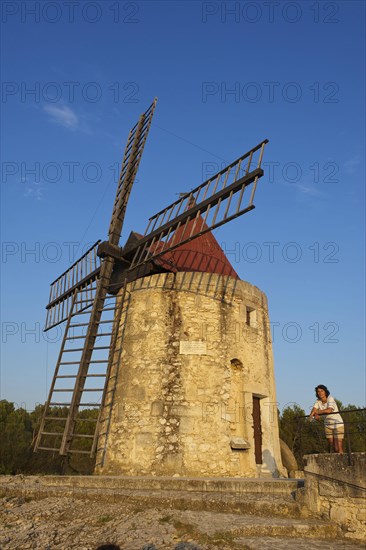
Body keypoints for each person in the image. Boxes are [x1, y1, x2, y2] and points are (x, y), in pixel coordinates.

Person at [309, 384, 344, 454]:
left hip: (337, 423)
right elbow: (313, 411)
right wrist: (314, 415)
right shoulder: (318, 401)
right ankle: (337, 460)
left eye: (322, 391)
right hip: (327, 425)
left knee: (338, 447)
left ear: (325, 392)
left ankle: (345, 462)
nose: (320, 393)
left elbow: (329, 410)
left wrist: (318, 412)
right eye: (318, 391)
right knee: (332, 444)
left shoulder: (330, 398)